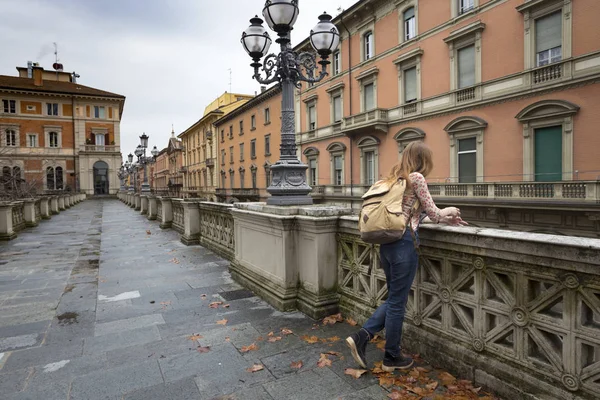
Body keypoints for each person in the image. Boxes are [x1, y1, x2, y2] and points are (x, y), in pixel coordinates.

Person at [346, 141, 467, 372]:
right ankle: (387, 353)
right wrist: (449, 211)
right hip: (404, 245)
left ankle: (366, 338)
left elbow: (416, 215)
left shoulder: (395, 179)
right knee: (397, 302)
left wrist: (443, 218)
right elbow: (434, 212)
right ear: (424, 159)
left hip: (387, 245)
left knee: (394, 298)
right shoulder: (417, 178)